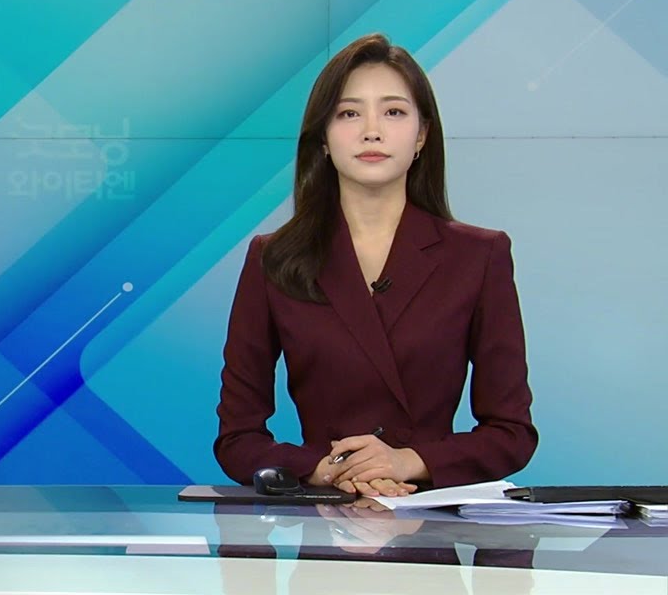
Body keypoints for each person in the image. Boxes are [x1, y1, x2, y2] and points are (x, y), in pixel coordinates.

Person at [214, 33, 537, 497]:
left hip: (429, 519)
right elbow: (237, 439)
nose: (371, 131)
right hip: (324, 516)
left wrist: (407, 462)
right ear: (324, 139)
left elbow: (511, 434)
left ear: (422, 135)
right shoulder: (274, 258)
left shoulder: (479, 256)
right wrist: (325, 469)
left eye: (394, 112)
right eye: (349, 113)